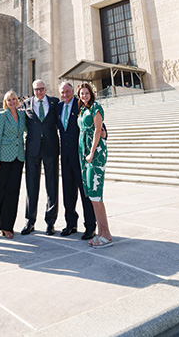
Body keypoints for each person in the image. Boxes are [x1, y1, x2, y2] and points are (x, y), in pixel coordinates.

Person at [57, 82, 96, 240]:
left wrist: (104, 130)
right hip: (65, 157)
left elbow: (91, 120)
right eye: (62, 92)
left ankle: (90, 226)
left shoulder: (81, 105)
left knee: (84, 192)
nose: (65, 94)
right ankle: (71, 223)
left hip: (80, 156)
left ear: (73, 92)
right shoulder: (58, 108)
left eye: (67, 91)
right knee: (68, 193)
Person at [21, 79, 59, 235]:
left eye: (42, 89)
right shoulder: (26, 104)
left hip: (50, 148)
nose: (40, 92)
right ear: (33, 90)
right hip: (32, 150)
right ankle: (30, 221)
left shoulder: (55, 102)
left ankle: (50, 222)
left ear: (46, 89)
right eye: (37, 89)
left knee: (52, 186)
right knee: (31, 187)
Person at [77, 83, 112, 248]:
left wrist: (91, 153)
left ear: (91, 93)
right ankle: (101, 233)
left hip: (95, 155)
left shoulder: (96, 108)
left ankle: (106, 234)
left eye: (86, 93)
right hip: (85, 156)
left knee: (96, 195)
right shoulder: (83, 110)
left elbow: (99, 130)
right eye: (81, 94)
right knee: (91, 195)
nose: (84, 96)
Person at [0, 90, 26, 238]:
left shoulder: (22, 115)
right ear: (5, 102)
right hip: (4, 159)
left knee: (14, 192)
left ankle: (10, 225)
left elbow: (26, 131)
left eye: (14, 99)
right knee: (3, 193)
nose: (12, 102)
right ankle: (3, 226)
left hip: (18, 158)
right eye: (9, 100)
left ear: (17, 100)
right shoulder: (2, 116)